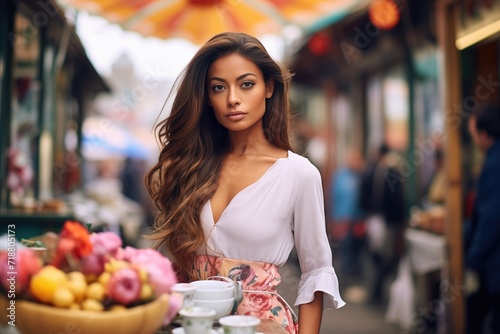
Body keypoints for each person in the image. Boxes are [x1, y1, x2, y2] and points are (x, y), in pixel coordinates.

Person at [144, 32, 345, 333]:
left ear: (268, 88)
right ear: (207, 98)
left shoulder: (298, 174)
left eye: (246, 84)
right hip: (192, 324)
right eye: (218, 87)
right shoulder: (192, 167)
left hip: (263, 327)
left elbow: (315, 272)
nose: (232, 98)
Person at [465, 104, 500, 334]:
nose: (474, 141)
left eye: (474, 135)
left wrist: (472, 257)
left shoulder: (494, 163)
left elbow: (491, 216)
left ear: (484, 135)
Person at [358, 143, 405, 304]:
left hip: (374, 218)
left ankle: (376, 290)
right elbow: (396, 200)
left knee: (377, 255)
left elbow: (363, 198)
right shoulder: (390, 171)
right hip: (387, 220)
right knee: (387, 256)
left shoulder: (372, 171)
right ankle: (377, 290)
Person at [328, 149, 366, 281]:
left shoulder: (361, 176)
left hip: (358, 220)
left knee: (358, 251)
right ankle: (343, 279)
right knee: (344, 249)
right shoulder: (340, 176)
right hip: (342, 221)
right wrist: (334, 220)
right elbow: (333, 198)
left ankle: (354, 277)